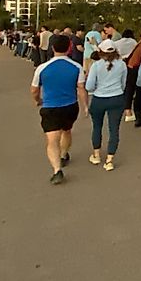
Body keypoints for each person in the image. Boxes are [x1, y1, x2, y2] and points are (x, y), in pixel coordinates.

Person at [30, 34, 88, 185]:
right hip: (70, 106)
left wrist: (38, 100)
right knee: (67, 131)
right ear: (69, 48)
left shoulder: (42, 68)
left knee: (52, 140)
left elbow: (34, 90)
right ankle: (64, 154)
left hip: (50, 107)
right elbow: (81, 88)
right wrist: (86, 106)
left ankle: (57, 170)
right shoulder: (77, 67)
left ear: (52, 48)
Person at [85, 39, 127, 171]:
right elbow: (124, 84)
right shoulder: (122, 65)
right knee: (114, 129)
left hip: (99, 99)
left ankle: (96, 155)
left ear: (100, 52)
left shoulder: (96, 66)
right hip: (117, 98)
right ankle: (109, 160)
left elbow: (89, 86)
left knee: (97, 127)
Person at [126, 30, 141, 127]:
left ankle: (138, 117)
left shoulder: (138, 44)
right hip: (138, 70)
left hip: (131, 68)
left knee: (137, 93)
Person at [113, 29, 138, 121]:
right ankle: (128, 110)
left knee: (120, 86)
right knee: (129, 87)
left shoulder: (117, 43)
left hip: (120, 64)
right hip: (131, 66)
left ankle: (119, 107)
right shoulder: (134, 42)